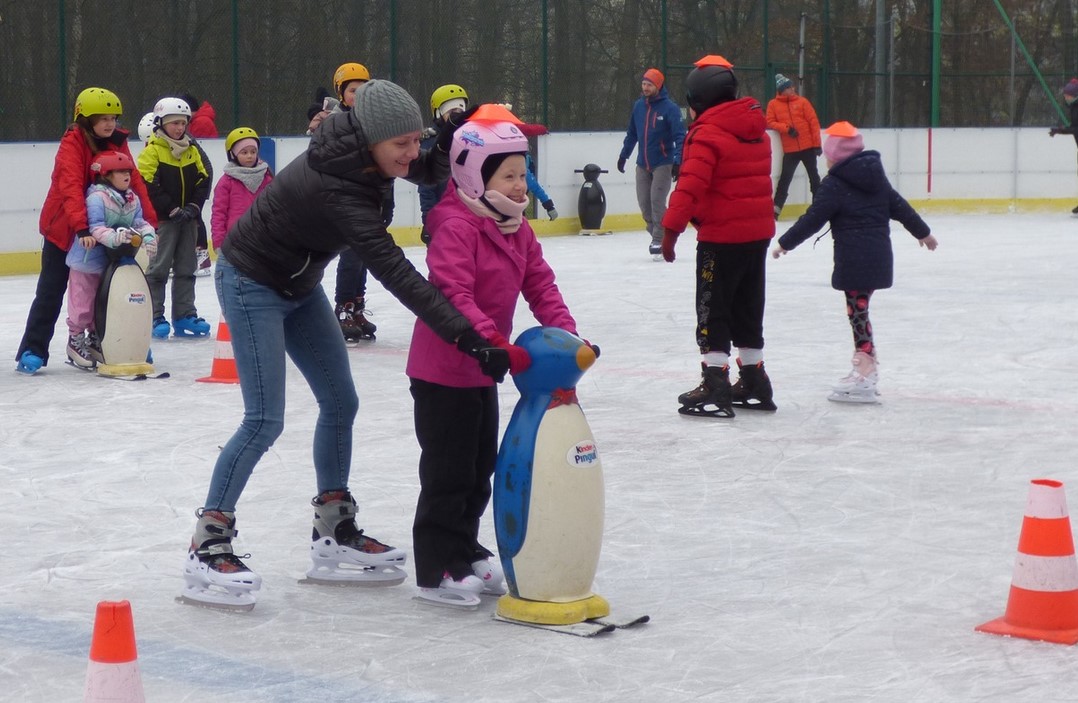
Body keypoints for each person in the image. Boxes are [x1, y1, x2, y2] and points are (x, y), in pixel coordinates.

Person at [180, 79, 506, 611]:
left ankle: (334, 528)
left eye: (416, 139)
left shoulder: (371, 155)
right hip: (250, 282)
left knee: (340, 402)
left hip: (299, 283)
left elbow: (427, 168)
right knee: (264, 419)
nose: (412, 152)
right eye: (402, 143)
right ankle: (208, 542)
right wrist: (466, 334)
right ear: (372, 139)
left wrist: (450, 141)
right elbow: (397, 273)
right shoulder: (338, 186)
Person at [407, 109, 584, 608]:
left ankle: (464, 546)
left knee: (480, 466)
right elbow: (453, 292)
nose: (520, 184)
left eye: (523, 173)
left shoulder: (516, 228)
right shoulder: (455, 226)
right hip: (444, 369)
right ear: (473, 177)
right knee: (448, 473)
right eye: (508, 175)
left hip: (484, 369)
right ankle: (438, 564)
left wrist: (567, 336)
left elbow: (541, 285)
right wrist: (491, 341)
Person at [771, 121, 937, 403]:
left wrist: (785, 243)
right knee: (859, 312)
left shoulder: (835, 184)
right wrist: (923, 233)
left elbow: (813, 219)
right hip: (877, 256)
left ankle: (865, 372)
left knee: (858, 313)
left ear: (835, 155)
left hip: (854, 259)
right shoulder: (874, 177)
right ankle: (866, 366)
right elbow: (900, 206)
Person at [659, 55, 776, 418]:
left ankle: (715, 383)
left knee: (713, 310)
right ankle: (754, 379)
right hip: (756, 236)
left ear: (698, 99)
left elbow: (689, 187)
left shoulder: (707, 134)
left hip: (721, 240)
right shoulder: (756, 130)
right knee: (747, 306)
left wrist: (671, 231)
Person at [15, 87, 156, 375]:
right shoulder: (73, 142)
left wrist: (151, 222)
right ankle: (34, 348)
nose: (110, 124)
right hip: (66, 229)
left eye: (113, 118)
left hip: (104, 228)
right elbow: (69, 185)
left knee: (107, 290)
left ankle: (109, 342)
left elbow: (134, 182)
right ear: (86, 119)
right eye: (103, 118)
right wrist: (81, 227)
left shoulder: (117, 142)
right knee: (52, 289)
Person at [66, 152, 158, 368]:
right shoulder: (96, 198)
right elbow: (95, 227)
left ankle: (95, 339)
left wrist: (148, 236)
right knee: (83, 304)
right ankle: (75, 340)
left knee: (104, 303)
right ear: (106, 175)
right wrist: (114, 237)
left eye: (128, 171)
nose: (127, 175)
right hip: (87, 261)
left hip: (110, 263)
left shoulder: (132, 198)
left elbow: (139, 222)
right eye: (120, 172)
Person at [312, 62, 379, 341]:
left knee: (363, 258)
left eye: (363, 90)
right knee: (351, 257)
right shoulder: (334, 123)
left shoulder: (374, 120)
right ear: (341, 93)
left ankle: (357, 306)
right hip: (346, 200)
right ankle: (344, 307)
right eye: (353, 91)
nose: (358, 96)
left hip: (369, 198)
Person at [137, 96, 213, 339]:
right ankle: (154, 315)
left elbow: (203, 180)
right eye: (174, 123)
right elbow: (148, 185)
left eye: (183, 123)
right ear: (160, 123)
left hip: (188, 219)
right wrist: (171, 209)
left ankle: (184, 314)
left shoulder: (191, 150)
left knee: (186, 267)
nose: (180, 128)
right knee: (159, 268)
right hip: (164, 221)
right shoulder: (152, 151)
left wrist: (193, 207)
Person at [617, 67, 686, 258]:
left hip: (663, 162)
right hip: (642, 163)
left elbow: (680, 136)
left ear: (658, 86)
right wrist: (624, 155)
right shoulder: (639, 106)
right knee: (645, 206)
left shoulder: (670, 108)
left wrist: (678, 162)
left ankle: (657, 239)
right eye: (644, 84)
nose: (645, 88)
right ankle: (662, 236)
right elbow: (632, 133)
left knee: (657, 202)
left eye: (649, 84)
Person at [766, 73, 822, 220]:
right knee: (785, 179)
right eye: (789, 87)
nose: (793, 89)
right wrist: (787, 129)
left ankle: (819, 206)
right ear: (782, 90)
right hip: (790, 150)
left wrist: (817, 144)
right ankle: (776, 209)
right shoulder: (773, 104)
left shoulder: (803, 102)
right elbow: (770, 121)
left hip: (808, 147)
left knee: (814, 177)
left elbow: (813, 123)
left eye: (792, 87)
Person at [419, 84, 469, 245]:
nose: (457, 116)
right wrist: (429, 219)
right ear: (439, 114)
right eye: (452, 112)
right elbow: (426, 187)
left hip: (468, 215)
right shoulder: (432, 143)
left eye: (460, 111)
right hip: (443, 216)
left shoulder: (470, 139)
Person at [210, 127, 273, 253]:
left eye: (253, 152)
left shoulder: (267, 178)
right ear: (233, 154)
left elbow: (274, 209)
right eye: (244, 152)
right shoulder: (226, 182)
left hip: (262, 239)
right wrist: (218, 242)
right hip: (235, 241)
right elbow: (219, 214)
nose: (250, 156)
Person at [1049, 78, 1078, 214]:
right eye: (1065, 95)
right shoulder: (1074, 108)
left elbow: (1076, 129)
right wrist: (1060, 130)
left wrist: (1061, 130)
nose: (1066, 97)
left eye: (1068, 95)